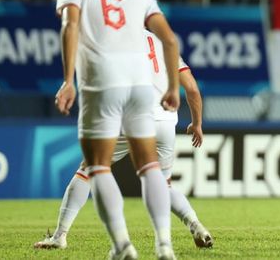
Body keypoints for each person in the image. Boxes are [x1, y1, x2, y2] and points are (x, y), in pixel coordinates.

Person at [54, 0, 180, 260]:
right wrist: (170, 87)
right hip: (141, 87)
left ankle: (123, 245)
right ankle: (164, 245)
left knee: (98, 167)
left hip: (102, 82)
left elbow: (70, 27)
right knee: (150, 166)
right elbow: (169, 40)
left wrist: (68, 80)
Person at [35, 32, 213, 251]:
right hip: (165, 123)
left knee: (88, 170)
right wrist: (197, 124)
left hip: (132, 119)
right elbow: (193, 89)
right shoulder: (166, 44)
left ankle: (60, 236)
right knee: (164, 186)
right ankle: (196, 225)